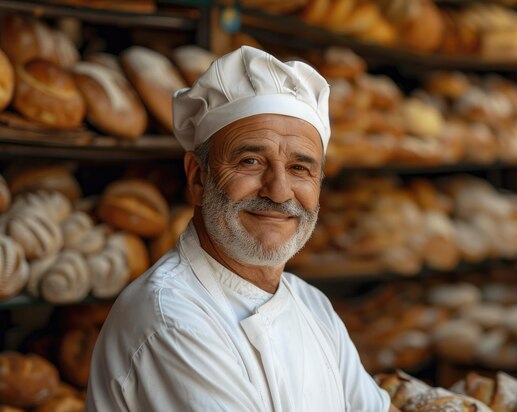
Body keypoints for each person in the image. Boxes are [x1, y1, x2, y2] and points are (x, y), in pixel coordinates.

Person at [86, 46, 399, 412]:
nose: (280, 191)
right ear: (199, 177)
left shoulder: (310, 304)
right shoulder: (171, 320)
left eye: (300, 168)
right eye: (250, 161)